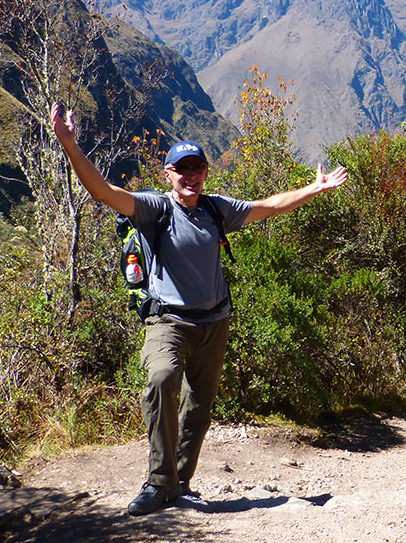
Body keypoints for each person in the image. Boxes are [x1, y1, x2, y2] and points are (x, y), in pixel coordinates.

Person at [49, 103, 348, 515]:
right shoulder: (156, 209)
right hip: (169, 321)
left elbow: (269, 207)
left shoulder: (214, 208)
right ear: (168, 175)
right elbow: (103, 192)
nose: (191, 176)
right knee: (161, 379)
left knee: (199, 406)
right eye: (182, 169)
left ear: (205, 173)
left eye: (198, 168)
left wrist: (314, 189)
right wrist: (70, 145)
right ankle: (158, 483)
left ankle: (180, 485)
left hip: (214, 322)